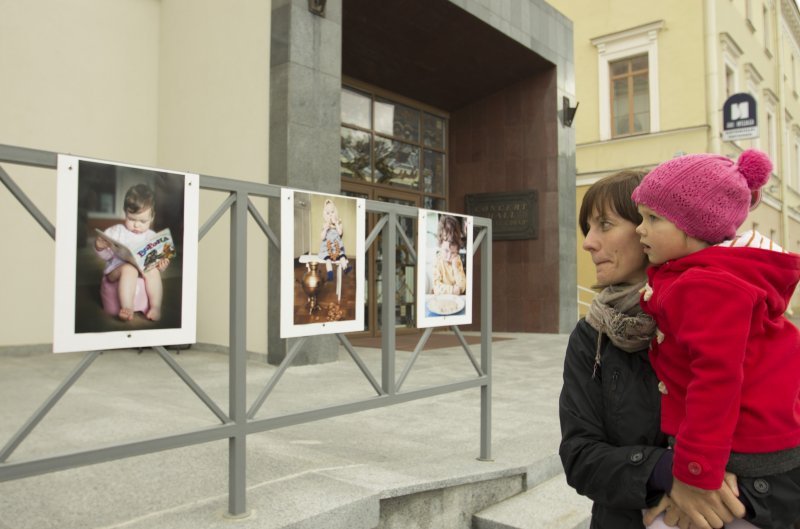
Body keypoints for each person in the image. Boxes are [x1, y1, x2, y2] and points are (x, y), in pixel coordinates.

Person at [632, 149, 800, 529]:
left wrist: (695, 470)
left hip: (746, 454)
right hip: (752, 445)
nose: (640, 228)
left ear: (694, 227)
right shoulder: (708, 274)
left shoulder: (708, 285)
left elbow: (716, 378)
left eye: (653, 218)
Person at [560, 170, 680, 528]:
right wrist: (669, 473)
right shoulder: (590, 335)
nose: (588, 243)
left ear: (649, 227)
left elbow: (779, 452)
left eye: (605, 225)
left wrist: (713, 486)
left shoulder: (719, 319)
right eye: (588, 228)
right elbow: (580, 455)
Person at [94, 183, 170, 321]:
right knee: (130, 269)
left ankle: (155, 306)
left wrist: (162, 265)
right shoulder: (116, 231)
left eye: (143, 221)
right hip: (115, 271)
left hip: (142, 271)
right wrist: (100, 247)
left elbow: (157, 261)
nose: (136, 225)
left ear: (152, 217)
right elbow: (106, 256)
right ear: (125, 212)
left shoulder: (152, 236)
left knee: (153, 271)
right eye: (131, 219)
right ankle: (127, 307)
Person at [431, 214, 466, 295]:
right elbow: (436, 287)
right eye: (446, 251)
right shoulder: (437, 261)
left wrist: (455, 267)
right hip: (440, 300)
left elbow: (462, 287)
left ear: (457, 251)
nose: (449, 256)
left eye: (453, 252)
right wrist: (452, 290)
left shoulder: (457, 260)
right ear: (440, 246)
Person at [318, 198, 349, 281]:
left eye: (332, 212)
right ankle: (330, 274)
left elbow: (340, 233)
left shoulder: (339, 223)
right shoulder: (325, 225)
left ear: (336, 212)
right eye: (328, 213)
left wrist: (336, 224)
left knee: (342, 257)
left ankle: (345, 268)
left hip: (337, 247)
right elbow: (322, 237)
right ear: (325, 215)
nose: (330, 215)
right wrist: (325, 229)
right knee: (327, 260)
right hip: (327, 249)